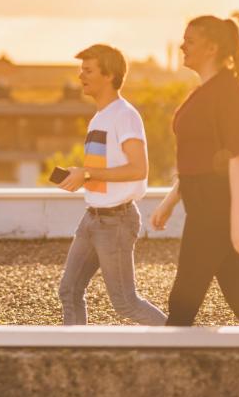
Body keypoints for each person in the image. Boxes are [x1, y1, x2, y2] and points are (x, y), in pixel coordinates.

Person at [149, 15, 239, 326]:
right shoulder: (204, 91)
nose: (182, 46)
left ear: (212, 47)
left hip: (219, 202)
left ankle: (166, 363)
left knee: (184, 299)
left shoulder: (230, 90)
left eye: (189, 41)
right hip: (203, 199)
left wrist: (236, 220)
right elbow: (196, 156)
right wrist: (171, 199)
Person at [56, 44, 167, 326]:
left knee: (126, 303)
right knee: (69, 290)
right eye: (81, 70)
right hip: (92, 218)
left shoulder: (124, 115)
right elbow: (101, 170)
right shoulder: (99, 117)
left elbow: (138, 169)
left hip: (116, 221)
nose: (81, 76)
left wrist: (88, 175)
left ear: (109, 75)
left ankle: (182, 343)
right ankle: (76, 356)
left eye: (88, 70)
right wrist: (79, 175)